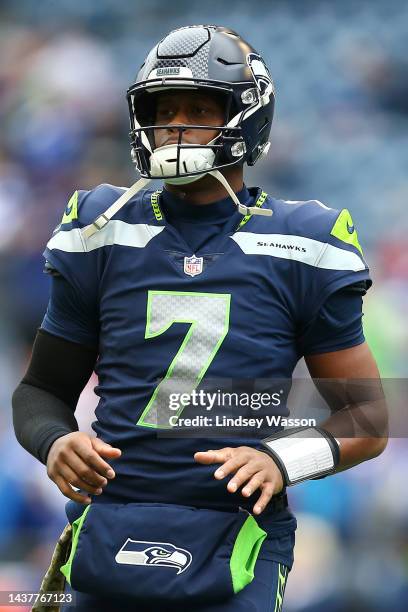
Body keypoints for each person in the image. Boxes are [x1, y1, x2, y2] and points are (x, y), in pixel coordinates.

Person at [12, 25, 387, 612]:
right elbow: (39, 391)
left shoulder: (304, 240)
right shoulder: (102, 228)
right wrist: (55, 441)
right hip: (110, 524)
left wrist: (280, 459)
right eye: (164, 111)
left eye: (198, 108)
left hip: (235, 535)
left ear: (244, 117)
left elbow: (367, 416)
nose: (176, 126)